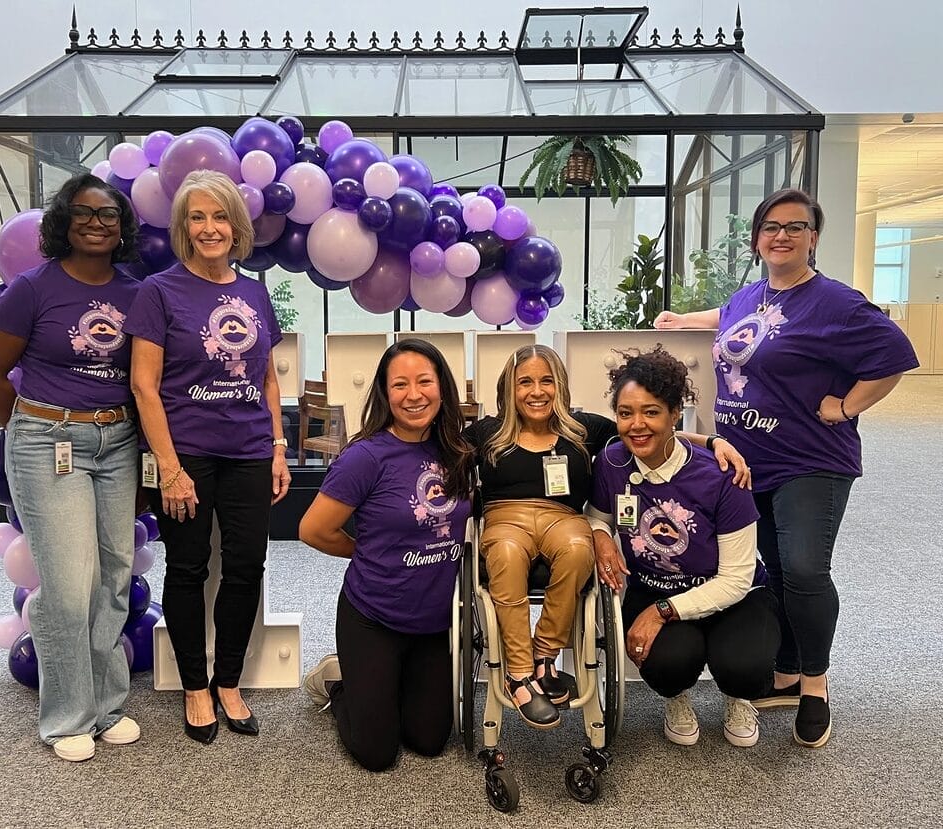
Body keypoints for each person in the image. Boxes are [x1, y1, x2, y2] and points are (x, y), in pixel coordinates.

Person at [654, 188, 918, 747]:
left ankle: (816, 685)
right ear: (757, 238)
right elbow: (730, 321)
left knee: (803, 569)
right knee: (770, 569)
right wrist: (682, 318)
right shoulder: (747, 296)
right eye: (771, 227)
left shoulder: (837, 303)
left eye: (796, 227)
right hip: (748, 463)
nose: (782, 235)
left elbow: (896, 352)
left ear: (813, 238)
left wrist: (846, 406)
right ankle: (788, 669)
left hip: (810, 461)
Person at [462, 344, 751, 729]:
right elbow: (438, 453)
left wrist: (713, 442)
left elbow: (643, 428)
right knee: (508, 554)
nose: (536, 391)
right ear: (508, 389)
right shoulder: (488, 432)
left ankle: (545, 656)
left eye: (546, 381)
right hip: (505, 518)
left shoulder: (582, 429)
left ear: (560, 386)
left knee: (580, 549)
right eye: (524, 382)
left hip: (563, 517)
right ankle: (519, 672)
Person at [0, 173, 142, 762]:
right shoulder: (33, 289)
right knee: (69, 586)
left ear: (122, 227)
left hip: (118, 441)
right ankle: (68, 716)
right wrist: (27, 427)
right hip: (49, 440)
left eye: (109, 214)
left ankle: (107, 707)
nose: (97, 223)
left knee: (114, 577)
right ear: (63, 222)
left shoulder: (134, 291)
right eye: (84, 212)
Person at [125, 170, 291, 745]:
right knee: (190, 568)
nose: (209, 228)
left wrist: (276, 445)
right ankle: (195, 686)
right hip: (186, 455)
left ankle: (228, 681)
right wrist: (168, 468)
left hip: (249, 451)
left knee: (246, 567)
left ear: (236, 225)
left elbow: (268, 376)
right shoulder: (159, 292)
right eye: (197, 217)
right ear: (183, 226)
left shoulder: (253, 291)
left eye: (219, 216)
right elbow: (145, 386)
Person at [589, 347, 780, 747]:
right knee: (667, 665)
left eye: (651, 412)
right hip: (655, 585)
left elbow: (736, 579)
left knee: (743, 666)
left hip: (734, 595)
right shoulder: (611, 462)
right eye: (625, 413)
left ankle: (739, 697)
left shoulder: (723, 474)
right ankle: (676, 697)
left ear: (675, 412)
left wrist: (661, 613)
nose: (636, 425)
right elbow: (598, 515)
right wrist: (602, 537)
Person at [298, 340, 474, 772]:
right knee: (376, 753)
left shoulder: (460, 451)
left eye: (424, 382)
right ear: (385, 393)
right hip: (373, 617)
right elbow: (313, 529)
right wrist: (363, 552)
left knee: (429, 741)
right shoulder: (366, 457)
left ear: (442, 388)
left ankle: (379, 687)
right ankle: (339, 682)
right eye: (400, 385)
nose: (414, 395)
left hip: (434, 624)